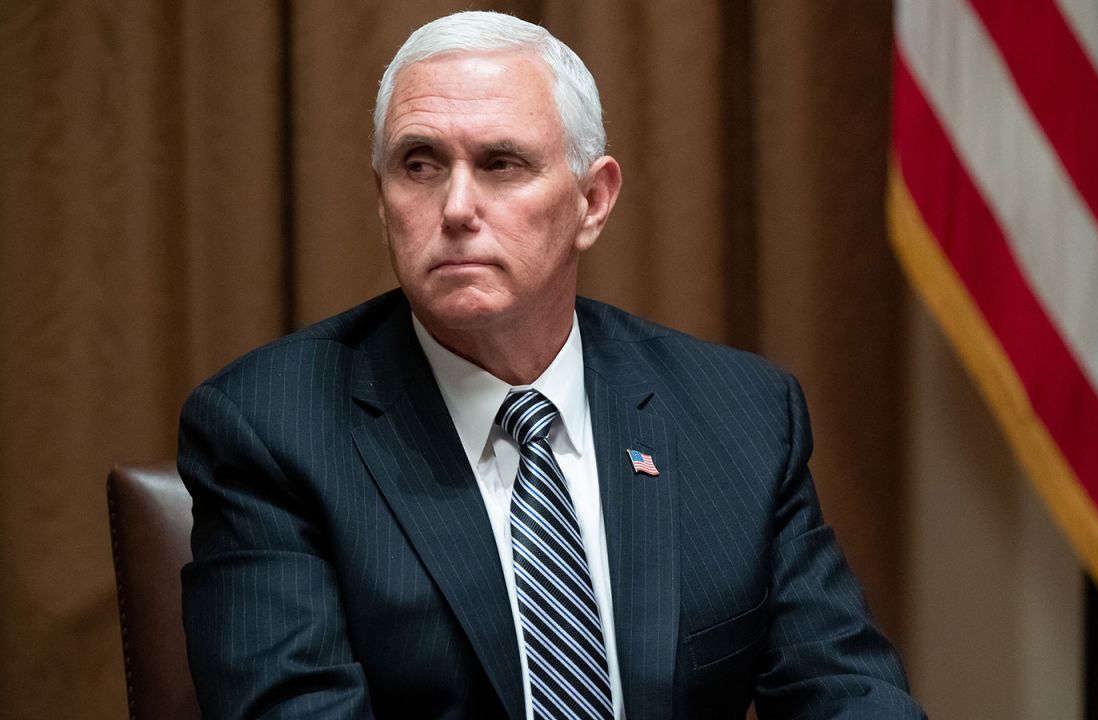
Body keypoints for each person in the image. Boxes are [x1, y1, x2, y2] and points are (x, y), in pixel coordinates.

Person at [179, 10, 925, 720]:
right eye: (420, 165)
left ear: (592, 201)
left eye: (501, 164)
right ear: (383, 201)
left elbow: (848, 691)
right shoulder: (273, 427)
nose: (457, 206)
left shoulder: (742, 415)